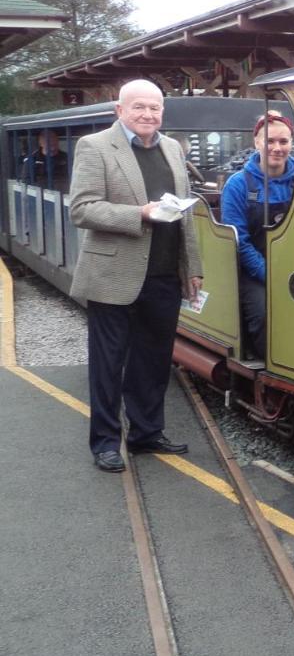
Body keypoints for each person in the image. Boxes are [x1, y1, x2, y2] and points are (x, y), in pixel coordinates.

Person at [68, 80, 203, 473]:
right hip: (112, 274)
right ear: (120, 110)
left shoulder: (173, 148)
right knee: (108, 364)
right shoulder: (94, 146)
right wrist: (139, 214)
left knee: (154, 360)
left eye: (155, 108)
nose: (148, 115)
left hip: (162, 274)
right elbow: (82, 209)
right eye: (139, 107)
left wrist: (191, 267)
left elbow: (185, 214)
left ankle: (146, 434)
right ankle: (106, 442)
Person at [220, 110, 294, 359]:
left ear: (291, 144)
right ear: (256, 142)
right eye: (270, 141)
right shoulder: (238, 185)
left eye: (283, 142)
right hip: (253, 268)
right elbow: (238, 241)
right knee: (264, 312)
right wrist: (268, 273)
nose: (277, 148)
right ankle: (267, 363)